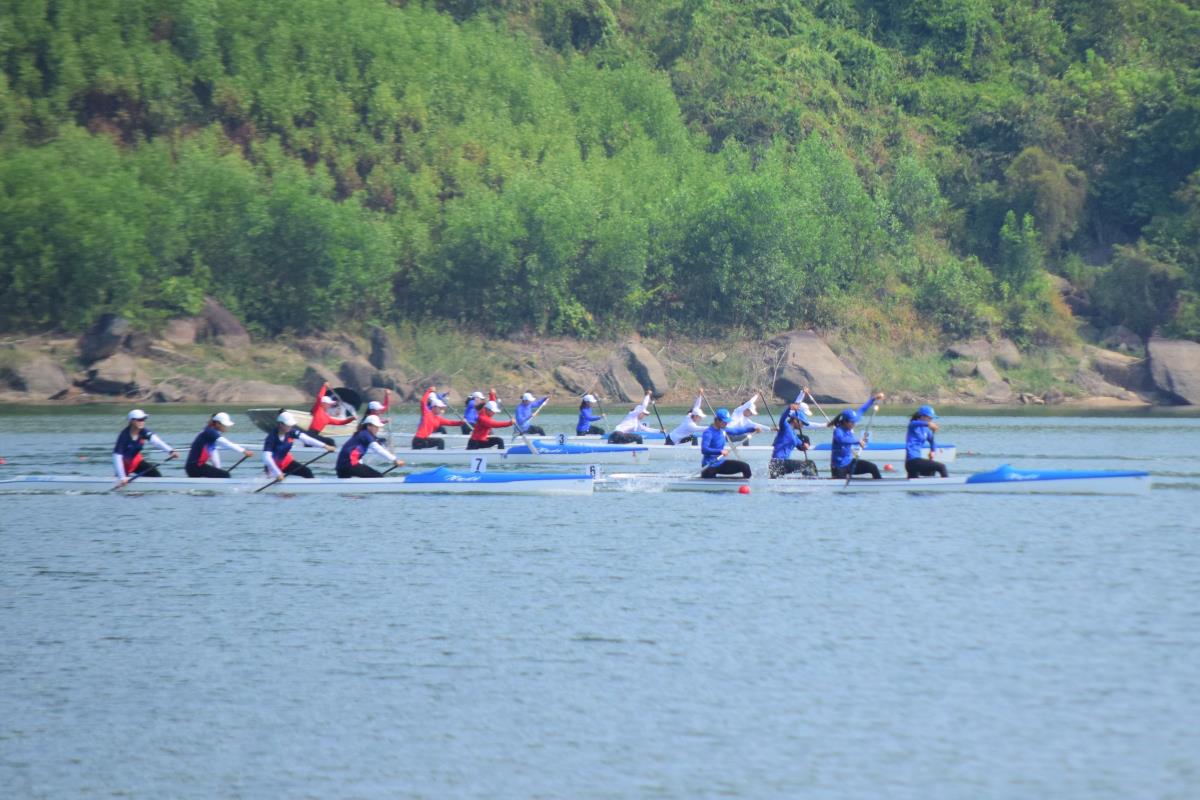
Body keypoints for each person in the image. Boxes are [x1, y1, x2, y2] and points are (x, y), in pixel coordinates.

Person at [827, 393, 885, 480]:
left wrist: (874, 399)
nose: (854, 424)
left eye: (855, 422)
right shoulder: (838, 431)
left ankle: (879, 483)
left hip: (850, 463)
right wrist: (858, 441)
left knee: (873, 467)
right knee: (841, 487)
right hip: (838, 466)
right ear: (845, 422)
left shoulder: (851, 420)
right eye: (852, 422)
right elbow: (841, 439)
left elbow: (862, 409)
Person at [263, 412, 335, 480]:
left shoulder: (291, 432)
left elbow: (307, 439)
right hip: (273, 467)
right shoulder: (271, 438)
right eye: (288, 425)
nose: (290, 427)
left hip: (287, 462)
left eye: (291, 425)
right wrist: (278, 473)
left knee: (307, 472)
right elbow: (267, 457)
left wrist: (325, 446)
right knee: (279, 486)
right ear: (280, 424)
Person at [113, 409, 178, 485]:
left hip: (137, 462)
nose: (142, 422)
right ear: (132, 421)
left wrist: (170, 451)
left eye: (144, 419)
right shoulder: (124, 436)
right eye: (139, 420)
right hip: (124, 465)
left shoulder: (143, 431)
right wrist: (122, 477)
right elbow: (117, 457)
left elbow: (156, 441)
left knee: (156, 475)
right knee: (122, 485)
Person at [767, 395, 822, 478]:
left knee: (809, 463)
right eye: (802, 423)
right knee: (808, 465)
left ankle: (809, 480)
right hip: (777, 462)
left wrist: (805, 446)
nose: (803, 426)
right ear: (795, 420)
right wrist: (789, 408)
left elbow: (801, 445)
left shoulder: (794, 436)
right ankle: (813, 482)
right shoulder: (785, 427)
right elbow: (782, 418)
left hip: (783, 463)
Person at [185, 412, 253, 478]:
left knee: (224, 474)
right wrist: (244, 451)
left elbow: (213, 454)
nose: (226, 427)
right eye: (225, 425)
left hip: (194, 467)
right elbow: (227, 443)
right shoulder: (210, 432)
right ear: (217, 424)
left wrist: (218, 471)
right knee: (226, 475)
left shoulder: (209, 434)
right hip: (195, 467)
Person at [336, 415, 404, 478]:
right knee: (378, 477)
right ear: (369, 426)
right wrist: (395, 459)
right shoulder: (365, 434)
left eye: (378, 427)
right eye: (376, 427)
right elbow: (378, 449)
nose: (377, 429)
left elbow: (377, 442)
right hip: (350, 465)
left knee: (371, 475)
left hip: (341, 467)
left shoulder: (362, 433)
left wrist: (387, 443)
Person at [700, 408, 758, 479]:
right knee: (710, 478)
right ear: (717, 420)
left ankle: (747, 483)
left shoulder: (723, 430)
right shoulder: (708, 432)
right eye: (724, 422)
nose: (726, 424)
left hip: (720, 463)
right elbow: (704, 449)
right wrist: (720, 451)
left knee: (745, 467)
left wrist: (753, 429)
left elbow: (736, 431)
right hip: (709, 465)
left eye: (727, 422)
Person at [905, 404, 948, 479]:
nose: (931, 420)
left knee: (932, 470)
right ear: (922, 416)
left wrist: (933, 451)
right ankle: (947, 484)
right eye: (929, 418)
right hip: (912, 461)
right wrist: (928, 424)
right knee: (942, 467)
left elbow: (932, 442)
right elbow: (914, 423)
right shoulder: (913, 425)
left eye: (932, 418)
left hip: (916, 463)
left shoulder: (927, 430)